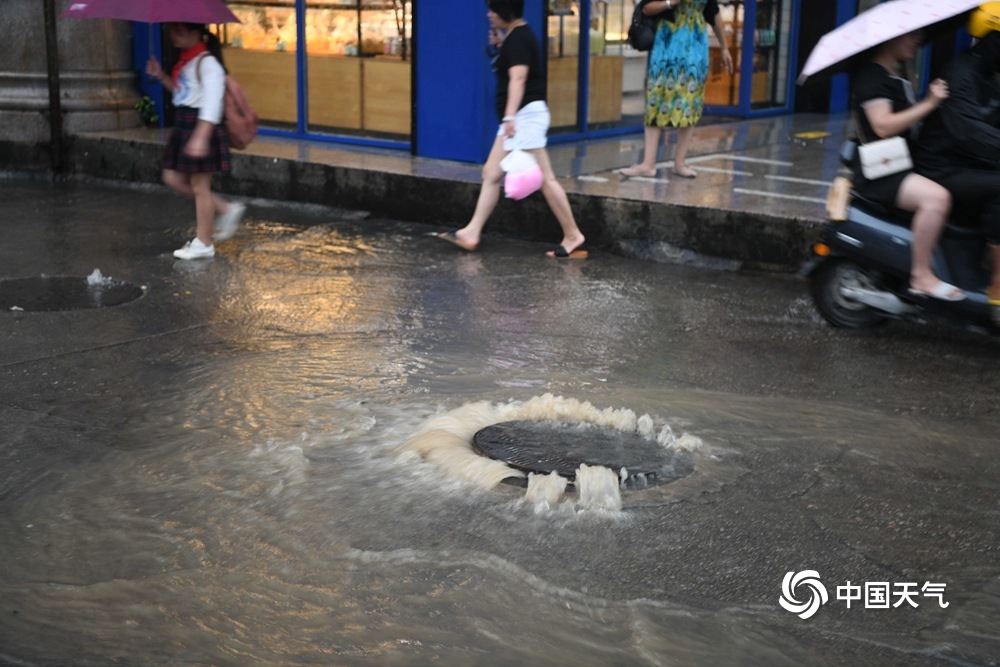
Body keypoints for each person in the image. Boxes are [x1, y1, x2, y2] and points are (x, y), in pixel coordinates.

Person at [437, 0, 587, 259]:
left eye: (493, 10)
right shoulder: (515, 37)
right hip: (519, 118)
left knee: (546, 179)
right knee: (491, 173)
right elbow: (511, 73)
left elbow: (519, 79)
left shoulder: (519, 38)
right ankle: (472, 231)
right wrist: (499, 47)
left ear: (505, 11)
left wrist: (509, 117)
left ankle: (573, 234)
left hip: (524, 118)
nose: (489, 15)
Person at [850, 32, 962, 300]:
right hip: (882, 170)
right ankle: (921, 276)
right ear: (891, 38)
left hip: (900, 163)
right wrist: (930, 102)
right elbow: (883, 125)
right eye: (911, 37)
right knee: (937, 199)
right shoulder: (872, 76)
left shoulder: (895, 73)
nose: (918, 42)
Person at [915, 11, 1000, 308]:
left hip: (967, 162)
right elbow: (970, 132)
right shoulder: (959, 74)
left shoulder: (989, 77)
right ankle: (998, 286)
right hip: (942, 168)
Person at [146, 23, 245, 260]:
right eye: (172, 30)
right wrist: (161, 76)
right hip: (185, 125)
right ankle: (224, 208)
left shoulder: (208, 64)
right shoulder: (186, 62)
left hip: (200, 126)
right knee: (171, 177)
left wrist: (200, 136)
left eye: (178, 31)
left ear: (195, 33)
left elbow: (211, 105)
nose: (173, 35)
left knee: (201, 187)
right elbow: (183, 95)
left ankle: (204, 242)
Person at [620, 0, 733, 179]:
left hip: (695, 47)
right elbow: (647, 8)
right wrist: (671, 2)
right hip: (666, 45)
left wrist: (725, 48)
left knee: (690, 101)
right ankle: (648, 164)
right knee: (656, 98)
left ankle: (680, 163)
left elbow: (715, 15)